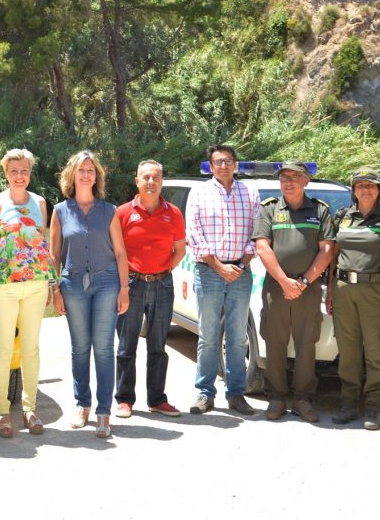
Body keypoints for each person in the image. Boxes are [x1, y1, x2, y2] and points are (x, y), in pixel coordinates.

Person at [0, 148, 56, 437]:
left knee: (31, 348)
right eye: (13, 171)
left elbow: (40, 246)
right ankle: (2, 412)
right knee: (4, 349)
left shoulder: (40, 203)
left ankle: (30, 409)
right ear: (5, 173)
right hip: (3, 288)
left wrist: (48, 284)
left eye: (24, 171)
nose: (19, 176)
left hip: (34, 286)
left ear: (30, 173)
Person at [49, 150, 130, 438]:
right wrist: (54, 288)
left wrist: (124, 288)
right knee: (80, 348)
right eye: (82, 170)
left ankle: (103, 411)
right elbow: (54, 254)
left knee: (104, 348)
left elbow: (120, 253)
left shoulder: (109, 210)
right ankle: (82, 404)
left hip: (107, 282)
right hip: (72, 285)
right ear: (72, 175)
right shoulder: (60, 211)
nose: (86, 174)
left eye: (91, 170)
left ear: (97, 176)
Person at [252, 160, 335, 423]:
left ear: (306, 181)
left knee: (306, 343)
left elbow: (327, 250)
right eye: (284, 177)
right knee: (274, 342)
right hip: (276, 288)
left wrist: (305, 281)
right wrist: (285, 281)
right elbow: (263, 247)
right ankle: (276, 397)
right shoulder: (269, 209)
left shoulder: (320, 210)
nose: (288, 182)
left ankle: (302, 399)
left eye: (294, 177)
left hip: (308, 289)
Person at [326, 167, 380, 430]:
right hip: (343, 290)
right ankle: (349, 402)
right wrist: (329, 291)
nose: (365, 189)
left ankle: (375, 406)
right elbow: (333, 257)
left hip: (375, 291)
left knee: (375, 351)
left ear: (379, 189)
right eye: (360, 185)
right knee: (348, 351)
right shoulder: (342, 216)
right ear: (353, 190)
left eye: (371, 185)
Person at [185, 145, 260, 416]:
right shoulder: (199, 192)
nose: (223, 166)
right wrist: (219, 266)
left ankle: (236, 393)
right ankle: (205, 393)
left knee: (238, 337)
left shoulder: (250, 193)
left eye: (228, 161)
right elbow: (194, 234)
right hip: (208, 271)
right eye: (217, 162)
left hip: (241, 272)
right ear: (210, 165)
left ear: (235, 164)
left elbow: (257, 232)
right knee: (208, 335)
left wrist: (239, 265)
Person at [113, 160, 186, 419]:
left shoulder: (173, 213)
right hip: (131, 285)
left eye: (155, 177)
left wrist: (163, 270)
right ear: (137, 181)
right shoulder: (122, 213)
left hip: (163, 285)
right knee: (126, 345)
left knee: (158, 346)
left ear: (162, 181)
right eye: (146, 177)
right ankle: (124, 399)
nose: (151, 182)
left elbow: (180, 250)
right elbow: (116, 252)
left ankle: (157, 399)